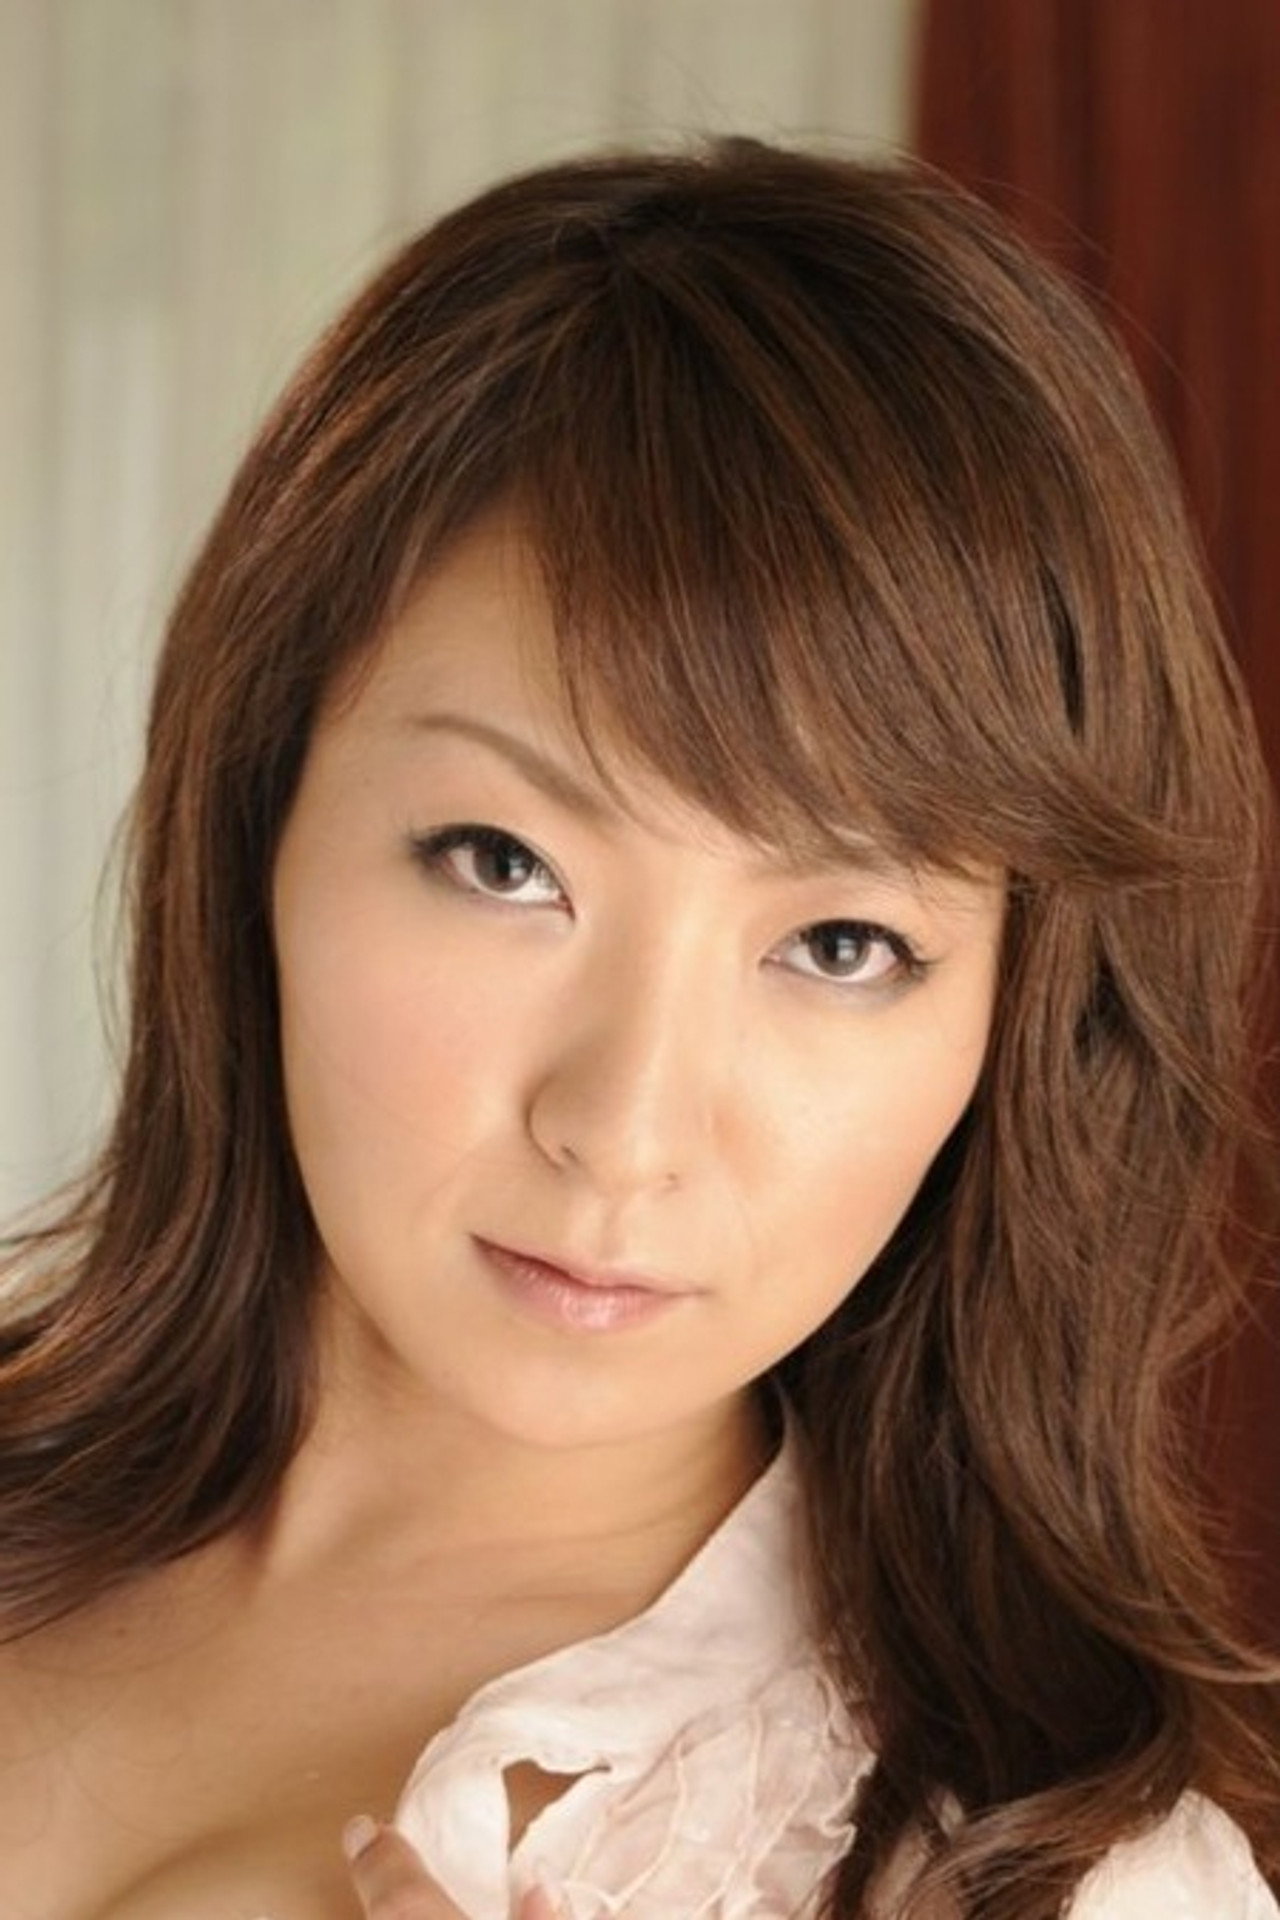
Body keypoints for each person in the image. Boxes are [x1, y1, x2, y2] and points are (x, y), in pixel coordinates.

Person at [0, 137, 1276, 1920]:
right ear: (259, 821)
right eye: (503, 861)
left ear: (1016, 1021)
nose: (627, 1125)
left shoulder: (1053, 1883)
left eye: (840, 943)